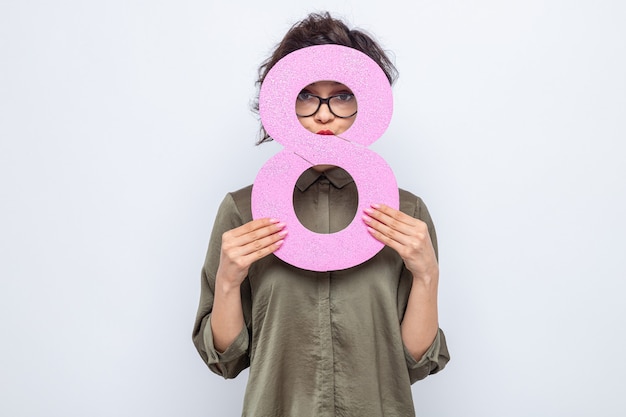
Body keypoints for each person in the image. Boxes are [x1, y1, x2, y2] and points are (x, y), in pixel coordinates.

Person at [192, 11, 450, 417]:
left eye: (343, 95)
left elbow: (416, 361)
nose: (324, 114)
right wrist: (227, 281)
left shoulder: (406, 213)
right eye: (307, 95)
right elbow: (226, 360)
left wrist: (427, 275)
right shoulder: (243, 211)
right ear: (282, 105)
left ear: (367, 103)